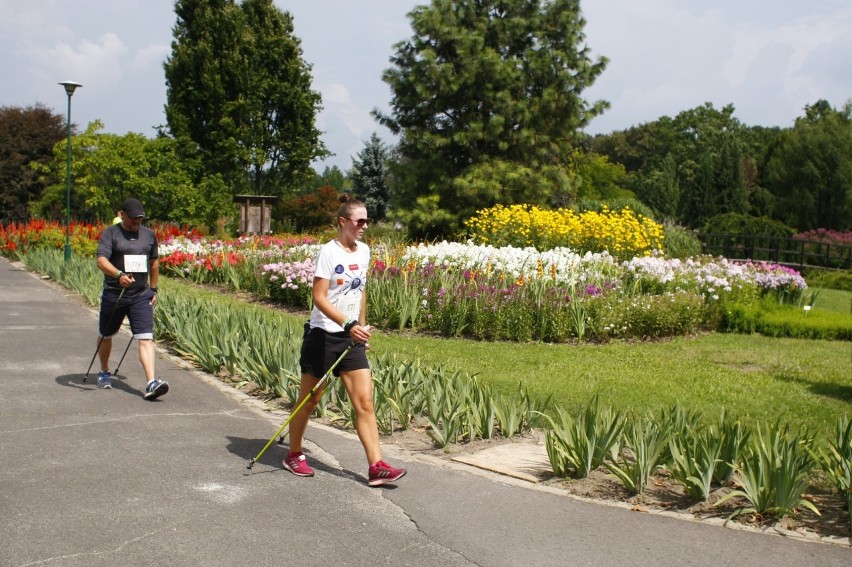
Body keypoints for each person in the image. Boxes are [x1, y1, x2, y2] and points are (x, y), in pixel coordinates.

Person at [284, 196, 406, 486]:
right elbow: (318, 298)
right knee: (309, 400)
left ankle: (376, 466)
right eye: (359, 221)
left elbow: (361, 290)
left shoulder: (363, 251)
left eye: (367, 220)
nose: (364, 225)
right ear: (343, 222)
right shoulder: (329, 252)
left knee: (364, 403)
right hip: (323, 336)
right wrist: (347, 324)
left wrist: (360, 327)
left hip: (351, 338)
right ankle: (294, 454)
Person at [94, 197, 169, 400]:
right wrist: (118, 275)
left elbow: (154, 263)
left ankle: (151, 382)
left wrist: (153, 289)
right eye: (133, 219)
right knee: (106, 334)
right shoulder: (111, 234)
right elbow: (101, 260)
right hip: (114, 293)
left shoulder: (148, 236)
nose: (136, 223)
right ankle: (104, 371)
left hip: (140, 295)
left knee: (146, 337)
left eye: (140, 219)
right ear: (122, 215)